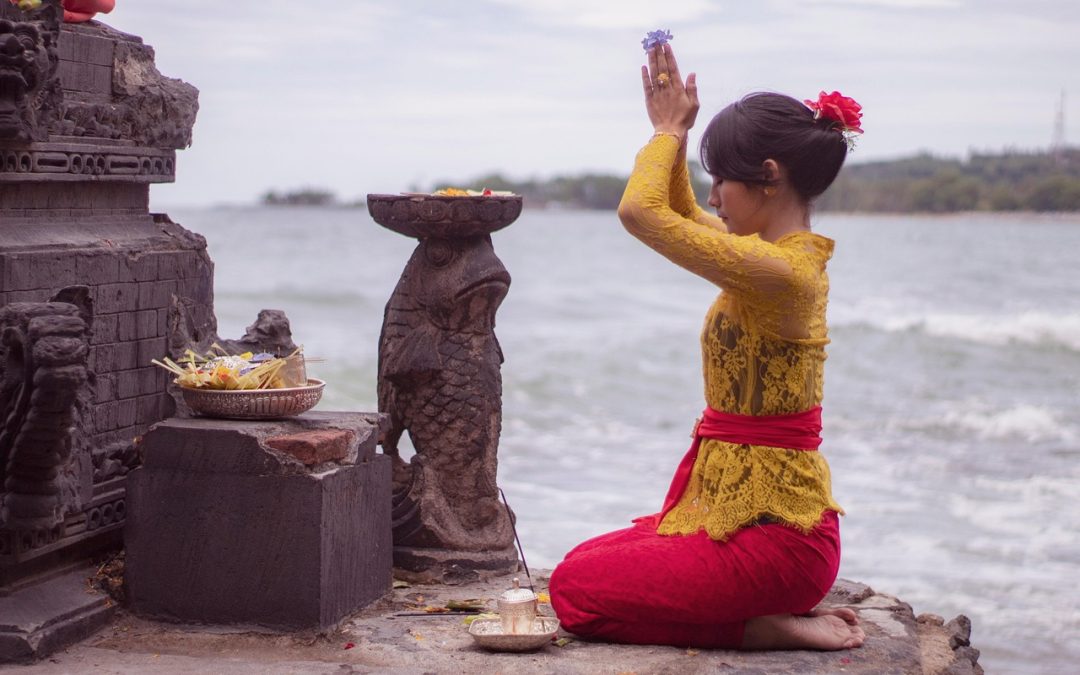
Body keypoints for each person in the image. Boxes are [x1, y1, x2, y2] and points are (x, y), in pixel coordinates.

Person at [548, 41, 866, 651]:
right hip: (736, 517)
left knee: (574, 590)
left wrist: (668, 131)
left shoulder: (783, 273)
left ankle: (757, 628)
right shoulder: (762, 256)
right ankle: (758, 618)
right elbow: (674, 206)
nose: (714, 196)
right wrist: (674, 129)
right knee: (585, 559)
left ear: (768, 177)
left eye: (721, 180)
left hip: (782, 542)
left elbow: (639, 212)